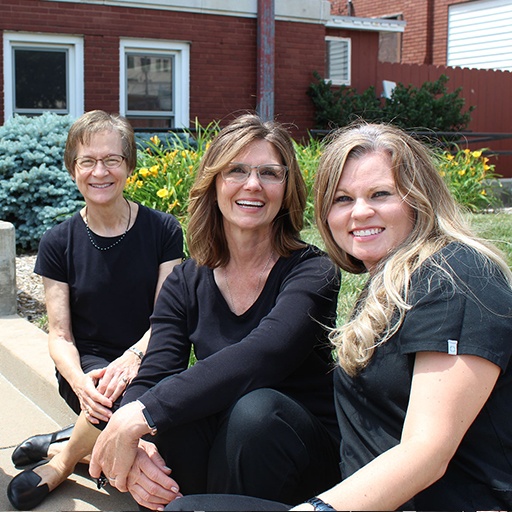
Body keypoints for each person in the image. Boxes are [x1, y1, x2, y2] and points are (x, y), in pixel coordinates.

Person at [165, 121, 512, 511]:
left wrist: (318, 509)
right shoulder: (389, 282)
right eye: (343, 199)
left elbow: (427, 451)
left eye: (380, 194)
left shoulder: (456, 276)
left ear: (420, 198)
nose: (360, 212)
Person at [88, 113, 342, 511]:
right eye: (236, 170)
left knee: (254, 412)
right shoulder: (186, 280)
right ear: (214, 183)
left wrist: (144, 413)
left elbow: (265, 353)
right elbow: (154, 373)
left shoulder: (312, 271)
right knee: (173, 425)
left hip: (297, 453)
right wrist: (135, 440)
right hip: (224, 447)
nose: (253, 184)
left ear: (287, 187)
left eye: (269, 173)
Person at [7, 110, 184, 510]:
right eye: (87, 161)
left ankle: (66, 454)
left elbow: (168, 318)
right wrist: (81, 381)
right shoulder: (58, 241)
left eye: (112, 160)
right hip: (89, 369)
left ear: (129, 166)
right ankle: (76, 449)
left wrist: (135, 356)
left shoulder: (164, 230)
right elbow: (60, 335)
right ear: (73, 169)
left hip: (152, 355)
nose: (99, 171)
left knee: (140, 409)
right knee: (114, 401)